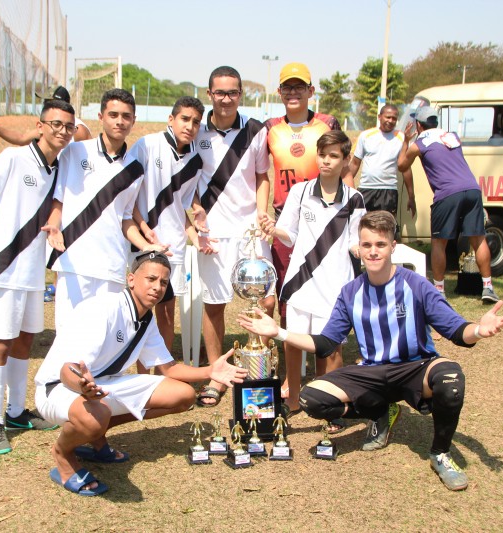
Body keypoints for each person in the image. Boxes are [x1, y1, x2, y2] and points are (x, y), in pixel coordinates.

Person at [238, 211, 503, 491]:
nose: (373, 252)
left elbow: (457, 331)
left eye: (380, 245)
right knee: (313, 399)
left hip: (416, 368)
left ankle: (440, 453)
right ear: (359, 248)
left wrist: (479, 330)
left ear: (393, 246)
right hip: (372, 372)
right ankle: (379, 411)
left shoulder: (416, 284)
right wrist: (279, 332)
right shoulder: (350, 292)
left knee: (451, 380)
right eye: (367, 245)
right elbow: (325, 343)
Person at [34, 251, 248, 496]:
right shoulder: (104, 308)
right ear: (131, 279)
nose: (157, 287)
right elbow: (67, 369)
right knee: (96, 414)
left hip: (102, 384)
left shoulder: (146, 318)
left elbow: (168, 368)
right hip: (58, 388)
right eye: (151, 279)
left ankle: (95, 436)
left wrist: (210, 371)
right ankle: (63, 454)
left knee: (183, 395)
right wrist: (83, 386)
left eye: (163, 282)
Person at [0, 99, 74, 454]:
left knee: (25, 341)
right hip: (3, 268)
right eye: (54, 123)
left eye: (67, 126)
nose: (62, 131)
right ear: (39, 127)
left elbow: (57, 204)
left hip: (33, 271)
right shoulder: (13, 158)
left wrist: (55, 224)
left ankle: (14, 412)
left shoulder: (60, 167)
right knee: (0, 343)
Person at [258, 131, 365, 431]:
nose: (326, 161)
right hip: (300, 281)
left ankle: (330, 404)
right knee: (292, 342)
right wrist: (273, 229)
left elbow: (355, 240)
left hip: (336, 284)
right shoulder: (301, 192)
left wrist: (364, 249)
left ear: (345, 161)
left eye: (334, 156)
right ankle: (292, 400)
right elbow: (288, 233)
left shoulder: (355, 198)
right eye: (322, 154)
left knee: (330, 348)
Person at [45, 89, 165, 334]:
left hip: (111, 266)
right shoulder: (75, 152)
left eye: (126, 116)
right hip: (73, 263)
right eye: (113, 114)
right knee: (69, 337)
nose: (119, 121)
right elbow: (58, 200)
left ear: (134, 121)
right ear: (101, 116)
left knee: (103, 337)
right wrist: (54, 226)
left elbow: (125, 218)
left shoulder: (135, 168)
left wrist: (146, 247)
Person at [264, 62, 346, 408]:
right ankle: (291, 383)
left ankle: (325, 385)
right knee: (289, 303)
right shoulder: (269, 127)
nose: (293, 92)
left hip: (325, 220)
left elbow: (343, 165)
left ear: (311, 91)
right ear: (279, 92)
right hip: (286, 219)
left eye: (300, 87)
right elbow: (257, 172)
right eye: (287, 87)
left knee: (328, 301)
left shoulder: (326, 123)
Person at [194, 66, 273, 407]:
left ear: (241, 94)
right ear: (209, 93)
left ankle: (259, 366)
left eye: (233, 93)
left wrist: (262, 212)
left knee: (265, 300)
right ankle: (217, 374)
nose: (226, 99)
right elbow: (186, 182)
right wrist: (195, 222)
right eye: (219, 92)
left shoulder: (256, 131)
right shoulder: (195, 132)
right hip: (212, 234)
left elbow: (263, 176)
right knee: (214, 304)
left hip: (249, 232)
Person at [397, 106, 499, 303]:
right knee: (478, 239)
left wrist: (405, 142)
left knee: (439, 242)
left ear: (418, 125)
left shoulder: (420, 143)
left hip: (447, 193)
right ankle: (488, 287)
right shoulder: (452, 136)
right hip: (472, 189)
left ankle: (439, 290)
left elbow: (402, 165)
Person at [129, 96, 205, 350]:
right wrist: (144, 232)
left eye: (196, 122)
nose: (189, 126)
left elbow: (177, 208)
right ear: (171, 119)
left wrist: (195, 237)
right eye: (184, 119)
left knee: (166, 316)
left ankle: (163, 372)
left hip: (173, 248)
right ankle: (141, 375)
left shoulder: (195, 161)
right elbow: (128, 201)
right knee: (138, 312)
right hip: (143, 245)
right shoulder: (146, 145)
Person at [343, 104, 416, 238]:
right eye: (388, 117)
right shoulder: (366, 136)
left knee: (385, 230)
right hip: (366, 189)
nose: (390, 121)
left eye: (394, 118)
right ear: (379, 117)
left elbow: (405, 168)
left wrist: (411, 196)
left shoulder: (401, 138)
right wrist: (342, 187)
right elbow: (354, 163)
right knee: (362, 228)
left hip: (388, 191)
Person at [0, 86, 93, 144]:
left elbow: (91, 159)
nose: (44, 105)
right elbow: (21, 139)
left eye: (47, 102)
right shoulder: (48, 127)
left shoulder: (78, 130)